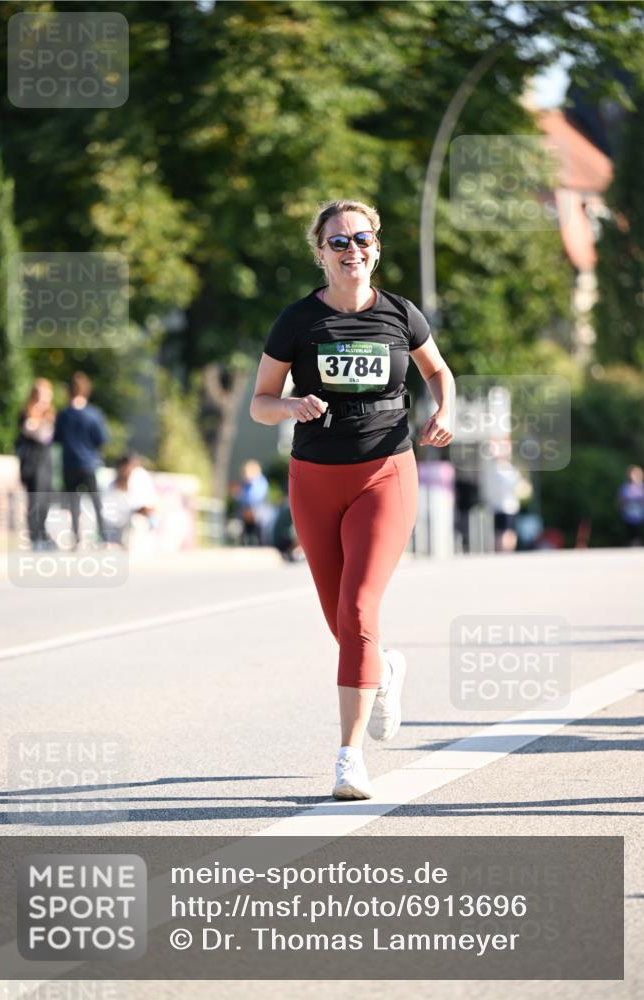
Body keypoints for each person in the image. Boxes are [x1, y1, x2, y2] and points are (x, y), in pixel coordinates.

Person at [250, 198, 454, 800]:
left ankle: (349, 757)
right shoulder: (296, 321)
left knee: (360, 610)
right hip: (314, 479)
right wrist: (290, 405)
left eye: (362, 240)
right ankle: (384, 669)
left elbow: (437, 371)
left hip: (383, 473)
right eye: (338, 242)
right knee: (341, 619)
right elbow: (261, 402)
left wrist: (447, 409)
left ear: (376, 248)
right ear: (321, 254)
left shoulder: (401, 315)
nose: (352, 251)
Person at [53, 372, 109, 549]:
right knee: (96, 501)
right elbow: (102, 439)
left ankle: (76, 539)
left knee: (73, 504)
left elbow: (56, 438)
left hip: (70, 464)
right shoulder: (93, 414)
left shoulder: (63, 414)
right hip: (89, 464)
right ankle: (104, 538)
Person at [15, 378, 56, 550]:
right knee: (35, 499)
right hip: (32, 460)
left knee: (45, 499)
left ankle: (43, 532)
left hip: (45, 459)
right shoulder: (27, 411)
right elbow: (31, 432)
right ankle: (34, 536)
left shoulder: (50, 413)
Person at [616, 465, 644, 546]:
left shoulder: (642, 487)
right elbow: (620, 501)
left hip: (641, 514)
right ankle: (633, 545)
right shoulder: (626, 487)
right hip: (629, 514)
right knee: (631, 532)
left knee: (638, 532)